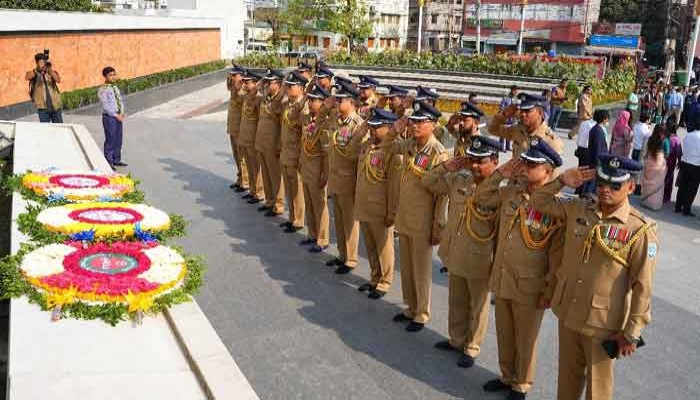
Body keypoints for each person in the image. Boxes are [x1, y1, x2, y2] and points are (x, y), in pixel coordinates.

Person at [530, 156, 658, 400]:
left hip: (603, 324)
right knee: (567, 379)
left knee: (598, 389)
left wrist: (632, 332)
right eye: (601, 184)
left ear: (631, 187)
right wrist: (561, 182)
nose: (605, 190)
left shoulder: (639, 229)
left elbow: (643, 286)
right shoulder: (580, 208)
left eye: (615, 186)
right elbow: (538, 201)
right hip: (569, 311)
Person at [474, 139, 564, 400]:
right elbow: (481, 196)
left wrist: (549, 288)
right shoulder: (512, 192)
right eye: (525, 162)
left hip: (530, 284)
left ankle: (521, 383)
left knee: (526, 338)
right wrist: (500, 174)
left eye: (532, 165)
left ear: (547, 171)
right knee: (504, 330)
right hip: (504, 276)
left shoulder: (556, 206)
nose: (524, 168)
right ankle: (507, 375)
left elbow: (556, 255)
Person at [426, 136, 500, 369]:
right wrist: (446, 167)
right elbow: (428, 181)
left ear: (495, 162)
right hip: (456, 251)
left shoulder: (500, 192)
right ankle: (456, 339)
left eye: (481, 161)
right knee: (456, 300)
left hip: (481, 258)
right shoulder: (460, 179)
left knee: (477, 306)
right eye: (472, 160)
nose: (475, 165)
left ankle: (472, 347)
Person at [391, 100, 448, 332]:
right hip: (405, 215)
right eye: (413, 121)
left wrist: (438, 225)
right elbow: (389, 147)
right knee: (406, 266)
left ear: (433, 125)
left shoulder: (438, 153)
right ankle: (410, 307)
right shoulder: (410, 145)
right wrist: (396, 129)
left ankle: (422, 313)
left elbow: (441, 196)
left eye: (420, 122)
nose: (415, 125)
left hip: (423, 220)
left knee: (421, 269)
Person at [354, 108, 401, 299]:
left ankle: (385, 281)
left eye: (376, 127)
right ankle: (374, 277)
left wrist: (392, 212)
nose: (372, 131)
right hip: (365, 203)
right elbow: (350, 146)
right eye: (371, 126)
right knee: (370, 245)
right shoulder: (367, 145)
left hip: (380, 207)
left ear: (389, 128)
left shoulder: (393, 151)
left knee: (384, 245)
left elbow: (394, 185)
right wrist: (363, 127)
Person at [325, 81, 366, 274]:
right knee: (339, 220)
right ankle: (342, 254)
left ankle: (350, 258)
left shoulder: (358, 125)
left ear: (351, 102)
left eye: (341, 99)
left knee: (349, 221)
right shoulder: (336, 119)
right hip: (335, 177)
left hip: (349, 180)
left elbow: (357, 156)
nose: (337, 101)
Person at [299, 83, 331, 253]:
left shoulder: (324, 124)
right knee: (309, 203)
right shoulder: (306, 119)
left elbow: (326, 154)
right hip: (305, 166)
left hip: (318, 169)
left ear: (322, 102)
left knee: (320, 205)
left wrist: (324, 174)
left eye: (314, 100)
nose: (310, 103)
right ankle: (312, 233)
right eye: (309, 100)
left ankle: (323, 238)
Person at [489, 93, 564, 158]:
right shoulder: (517, 130)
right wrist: (504, 115)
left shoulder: (551, 141)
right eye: (522, 110)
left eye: (528, 111)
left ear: (540, 112)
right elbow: (492, 129)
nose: (523, 114)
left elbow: (552, 173)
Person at [280, 71, 308, 233]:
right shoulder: (288, 104)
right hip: (286, 151)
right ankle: (292, 217)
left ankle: (298, 220)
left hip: (296, 153)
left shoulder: (303, 108)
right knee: (290, 188)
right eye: (288, 86)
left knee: (297, 189)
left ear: (301, 88)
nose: (288, 88)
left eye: (292, 86)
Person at [255, 69, 286, 217]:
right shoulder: (265, 98)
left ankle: (278, 205)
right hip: (262, 142)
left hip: (273, 144)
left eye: (270, 82)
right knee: (266, 173)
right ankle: (269, 201)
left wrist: (279, 145)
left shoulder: (280, 101)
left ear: (278, 84)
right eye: (266, 82)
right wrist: (263, 81)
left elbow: (282, 126)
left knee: (275, 175)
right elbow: (256, 88)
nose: (266, 84)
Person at [238, 70, 265, 204]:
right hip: (246, 137)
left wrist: (256, 90)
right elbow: (237, 92)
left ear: (255, 83)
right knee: (250, 165)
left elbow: (261, 119)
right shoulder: (248, 95)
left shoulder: (259, 98)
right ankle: (253, 190)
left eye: (247, 82)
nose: (244, 84)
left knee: (256, 166)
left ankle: (259, 192)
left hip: (254, 138)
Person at [98, 67, 127, 169]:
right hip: (109, 117)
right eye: (110, 75)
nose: (113, 76)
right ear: (105, 76)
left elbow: (120, 100)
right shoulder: (103, 89)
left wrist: (122, 112)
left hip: (118, 117)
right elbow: (106, 106)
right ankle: (108, 161)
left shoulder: (115, 87)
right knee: (111, 139)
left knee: (118, 138)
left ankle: (116, 159)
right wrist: (116, 115)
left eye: (114, 74)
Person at [226, 65, 249, 192]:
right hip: (233, 127)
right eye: (232, 75)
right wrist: (233, 79)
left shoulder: (244, 90)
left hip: (240, 128)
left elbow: (238, 97)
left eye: (235, 75)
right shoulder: (234, 88)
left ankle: (245, 181)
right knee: (236, 155)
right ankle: (240, 178)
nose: (233, 78)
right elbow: (229, 85)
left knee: (242, 157)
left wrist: (240, 83)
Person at [25, 52, 63, 123]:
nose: (43, 64)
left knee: (59, 128)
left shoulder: (50, 72)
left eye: (44, 62)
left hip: (55, 106)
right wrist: (37, 70)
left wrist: (50, 70)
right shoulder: (34, 73)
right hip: (43, 109)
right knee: (46, 130)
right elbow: (27, 77)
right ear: (37, 63)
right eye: (41, 62)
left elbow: (58, 80)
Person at [582, 109, 610, 196]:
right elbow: (598, 148)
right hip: (596, 161)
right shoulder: (598, 131)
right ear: (604, 119)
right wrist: (599, 162)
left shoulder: (596, 129)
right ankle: (587, 197)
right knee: (592, 181)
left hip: (593, 159)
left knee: (592, 180)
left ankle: (586, 196)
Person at [675, 122, 700, 216]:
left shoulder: (688, 136)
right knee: (692, 188)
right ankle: (686, 209)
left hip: (685, 163)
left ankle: (678, 206)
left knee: (683, 186)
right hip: (696, 165)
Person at [640, 126, 667, 210]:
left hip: (649, 163)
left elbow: (648, 152)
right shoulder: (660, 142)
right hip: (657, 166)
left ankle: (645, 201)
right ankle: (654, 204)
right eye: (663, 133)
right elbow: (659, 157)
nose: (664, 136)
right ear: (660, 133)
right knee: (657, 185)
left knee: (647, 184)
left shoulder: (650, 139)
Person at [663, 122, 682, 203]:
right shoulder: (676, 139)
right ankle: (666, 197)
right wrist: (680, 162)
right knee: (669, 179)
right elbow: (679, 152)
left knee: (662, 178)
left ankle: (659, 194)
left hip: (663, 161)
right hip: (671, 163)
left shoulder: (665, 137)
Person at [498, 85, 519, 151]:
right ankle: (501, 147)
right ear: (512, 90)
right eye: (515, 90)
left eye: (517, 91)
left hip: (512, 119)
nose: (516, 92)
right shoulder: (505, 98)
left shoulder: (515, 99)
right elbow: (501, 108)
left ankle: (508, 146)